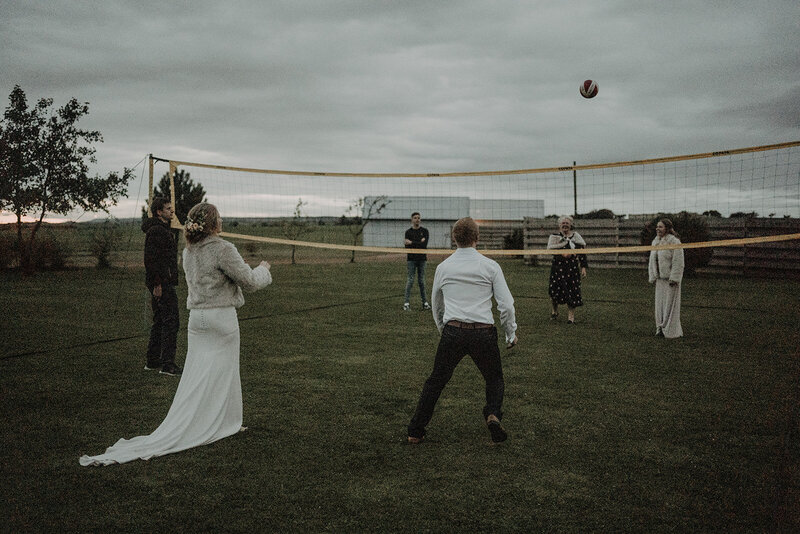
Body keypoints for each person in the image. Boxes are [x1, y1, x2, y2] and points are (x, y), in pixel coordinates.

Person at [80, 203, 272, 466]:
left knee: (197, 375)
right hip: (220, 318)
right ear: (214, 223)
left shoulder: (189, 251)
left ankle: (212, 422)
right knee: (225, 372)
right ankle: (227, 423)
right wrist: (264, 269)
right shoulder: (223, 248)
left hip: (197, 320)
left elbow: (214, 278)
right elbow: (249, 282)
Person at [407, 217, 517, 444]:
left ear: (454, 238)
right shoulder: (490, 266)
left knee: (436, 381)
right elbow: (506, 305)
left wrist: (443, 329)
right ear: (477, 238)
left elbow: (436, 304)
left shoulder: (444, 267)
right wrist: (510, 333)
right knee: (494, 379)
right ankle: (493, 414)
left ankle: (415, 432)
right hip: (483, 333)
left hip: (453, 331)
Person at [142, 196, 182, 375]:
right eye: (168, 209)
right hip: (161, 282)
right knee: (171, 321)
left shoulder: (163, 229)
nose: (171, 211)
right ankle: (167, 364)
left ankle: (152, 361)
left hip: (162, 281)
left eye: (171, 208)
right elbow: (151, 260)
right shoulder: (157, 231)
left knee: (160, 320)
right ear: (159, 212)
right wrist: (157, 284)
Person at [547, 216, 588, 324]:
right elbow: (550, 250)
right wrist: (562, 253)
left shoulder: (576, 236)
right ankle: (554, 311)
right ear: (559, 225)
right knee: (554, 292)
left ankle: (571, 317)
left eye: (567, 223)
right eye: (563, 223)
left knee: (573, 291)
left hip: (572, 269)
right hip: (558, 268)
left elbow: (582, 251)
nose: (565, 225)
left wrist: (583, 267)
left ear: (571, 225)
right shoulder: (554, 237)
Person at [648, 218, 684, 338]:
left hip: (670, 280)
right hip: (660, 280)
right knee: (659, 305)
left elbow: (678, 262)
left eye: (661, 227)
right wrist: (653, 276)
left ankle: (670, 330)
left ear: (667, 229)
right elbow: (651, 261)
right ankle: (660, 328)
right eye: (657, 227)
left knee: (670, 305)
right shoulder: (655, 242)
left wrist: (674, 278)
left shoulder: (675, 242)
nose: (658, 229)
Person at [403, 212, 431, 311]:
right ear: (412, 219)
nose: (417, 219)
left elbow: (424, 245)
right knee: (410, 280)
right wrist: (419, 242)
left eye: (419, 218)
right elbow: (407, 246)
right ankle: (406, 303)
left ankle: (425, 303)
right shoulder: (408, 232)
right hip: (411, 259)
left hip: (422, 259)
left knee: (421, 281)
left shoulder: (425, 231)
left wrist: (412, 243)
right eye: (415, 218)